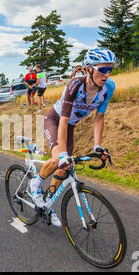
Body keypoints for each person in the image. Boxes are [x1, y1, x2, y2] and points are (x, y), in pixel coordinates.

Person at [31, 48, 116, 227]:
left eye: (110, 70)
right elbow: (63, 120)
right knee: (57, 160)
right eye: (102, 69)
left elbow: (99, 117)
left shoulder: (108, 88)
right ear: (88, 70)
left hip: (70, 126)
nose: (107, 74)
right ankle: (35, 185)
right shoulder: (74, 85)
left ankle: (47, 203)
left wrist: (97, 146)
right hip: (55, 120)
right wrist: (61, 154)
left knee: (64, 170)